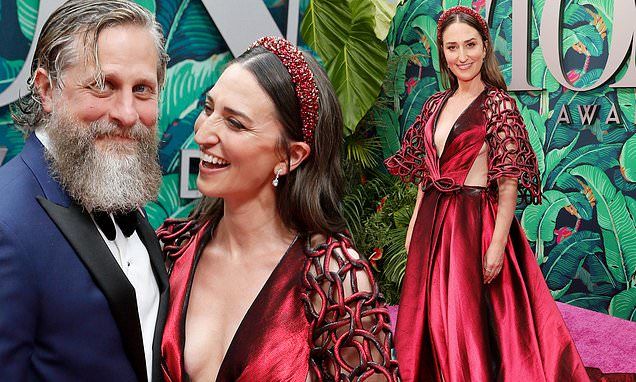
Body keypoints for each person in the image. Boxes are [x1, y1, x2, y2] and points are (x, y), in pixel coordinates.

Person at [157, 36, 399, 382]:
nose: (203, 133)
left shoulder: (333, 281)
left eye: (235, 123)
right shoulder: (170, 250)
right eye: (209, 109)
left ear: (291, 157)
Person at [385, 6, 589, 381]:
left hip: (473, 225)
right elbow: (424, 178)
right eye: (451, 47)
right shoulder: (434, 105)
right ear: (442, 54)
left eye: (470, 45)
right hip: (431, 225)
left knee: (467, 320)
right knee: (429, 318)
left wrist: (496, 245)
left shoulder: (499, 105)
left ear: (484, 48)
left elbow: (508, 183)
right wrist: (414, 225)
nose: (461, 56)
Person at [0, 1, 169, 380]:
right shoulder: (6, 224)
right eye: (102, 86)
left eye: (142, 89)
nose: (127, 113)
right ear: (46, 90)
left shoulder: (110, 184)